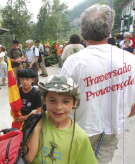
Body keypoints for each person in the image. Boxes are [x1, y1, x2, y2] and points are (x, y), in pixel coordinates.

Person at [60, 4, 135, 163]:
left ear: (83, 31)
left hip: (79, 130)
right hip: (111, 130)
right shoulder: (130, 60)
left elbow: (60, 101)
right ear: (109, 30)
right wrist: (121, 113)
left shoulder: (74, 62)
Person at [24, 75, 97, 164]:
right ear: (44, 100)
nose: (58, 107)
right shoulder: (35, 123)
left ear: (74, 103)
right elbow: (28, 157)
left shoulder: (80, 137)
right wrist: (37, 126)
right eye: (52, 100)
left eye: (66, 101)